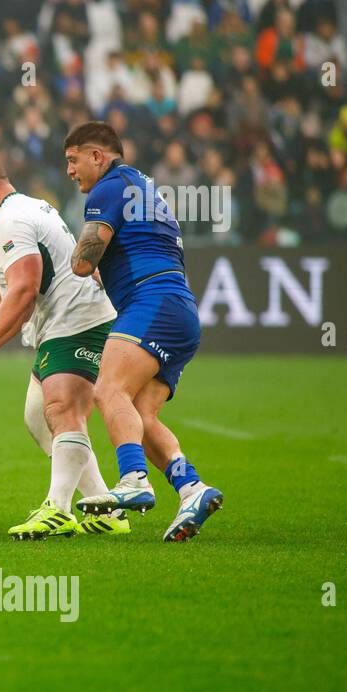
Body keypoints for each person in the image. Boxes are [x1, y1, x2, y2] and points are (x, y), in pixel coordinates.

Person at [0, 152, 128, 538]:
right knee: (36, 416)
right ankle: (105, 507)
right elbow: (12, 289)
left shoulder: (10, 222)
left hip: (79, 321)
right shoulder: (29, 208)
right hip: (62, 324)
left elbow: (25, 291)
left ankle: (58, 508)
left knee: (62, 409)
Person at [64, 121, 223, 541]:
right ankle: (192, 488)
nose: (70, 170)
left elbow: (82, 262)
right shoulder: (145, 188)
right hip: (180, 308)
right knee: (140, 412)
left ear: (98, 156)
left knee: (107, 391)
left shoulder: (107, 190)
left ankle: (134, 479)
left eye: (73, 159)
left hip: (150, 302)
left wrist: (77, 259)